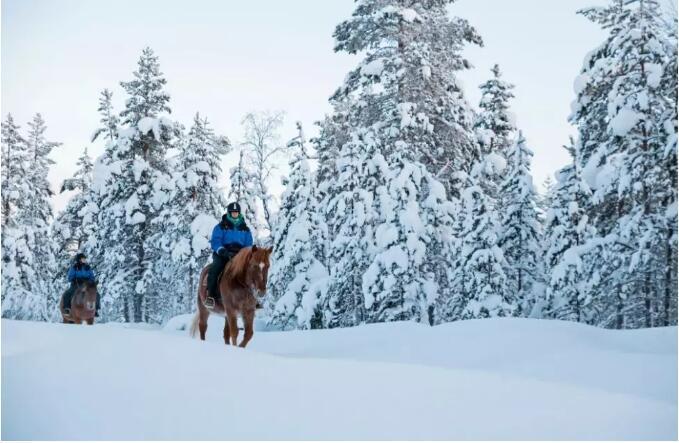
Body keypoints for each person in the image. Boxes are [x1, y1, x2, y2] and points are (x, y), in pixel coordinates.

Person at [207, 202, 254, 302]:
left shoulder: (245, 229)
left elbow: (248, 244)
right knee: (216, 267)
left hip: (239, 255)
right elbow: (215, 241)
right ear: (229, 213)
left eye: (236, 212)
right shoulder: (221, 226)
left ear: (239, 213)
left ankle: (252, 296)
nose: (234, 214)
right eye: (232, 212)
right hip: (223, 253)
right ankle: (211, 295)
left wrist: (244, 254)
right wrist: (222, 251)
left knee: (252, 269)